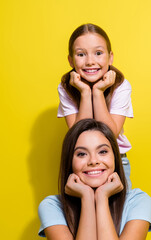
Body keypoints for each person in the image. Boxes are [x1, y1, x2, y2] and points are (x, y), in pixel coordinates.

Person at [38, 119, 151, 239]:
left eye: (103, 151)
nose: (93, 161)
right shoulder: (52, 206)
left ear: (115, 157)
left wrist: (102, 197)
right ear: (70, 161)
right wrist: (87, 197)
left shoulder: (139, 202)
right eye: (82, 154)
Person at [57, 23, 133, 188]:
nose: (90, 61)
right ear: (71, 60)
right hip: (83, 163)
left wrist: (98, 92)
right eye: (81, 54)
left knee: (118, 212)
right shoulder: (66, 87)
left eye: (98, 53)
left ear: (110, 57)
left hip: (115, 161)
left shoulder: (121, 86)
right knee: (84, 211)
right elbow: (78, 136)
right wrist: (85, 92)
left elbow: (109, 135)